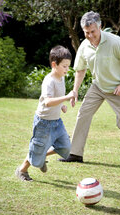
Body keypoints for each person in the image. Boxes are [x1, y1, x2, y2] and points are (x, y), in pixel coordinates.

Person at [59, 11, 120, 164]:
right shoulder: (85, 46)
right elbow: (80, 69)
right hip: (98, 87)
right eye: (87, 33)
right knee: (83, 114)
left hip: (119, 89)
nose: (90, 35)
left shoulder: (115, 42)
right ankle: (75, 153)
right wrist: (75, 90)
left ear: (100, 27)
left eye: (93, 31)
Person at [16, 45, 76, 181]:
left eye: (68, 66)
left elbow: (56, 98)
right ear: (54, 64)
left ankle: (42, 156)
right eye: (64, 66)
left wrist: (62, 105)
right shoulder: (49, 81)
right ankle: (22, 170)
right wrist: (67, 97)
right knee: (36, 151)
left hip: (56, 122)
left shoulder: (62, 78)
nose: (67, 69)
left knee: (66, 147)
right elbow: (47, 102)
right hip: (43, 123)